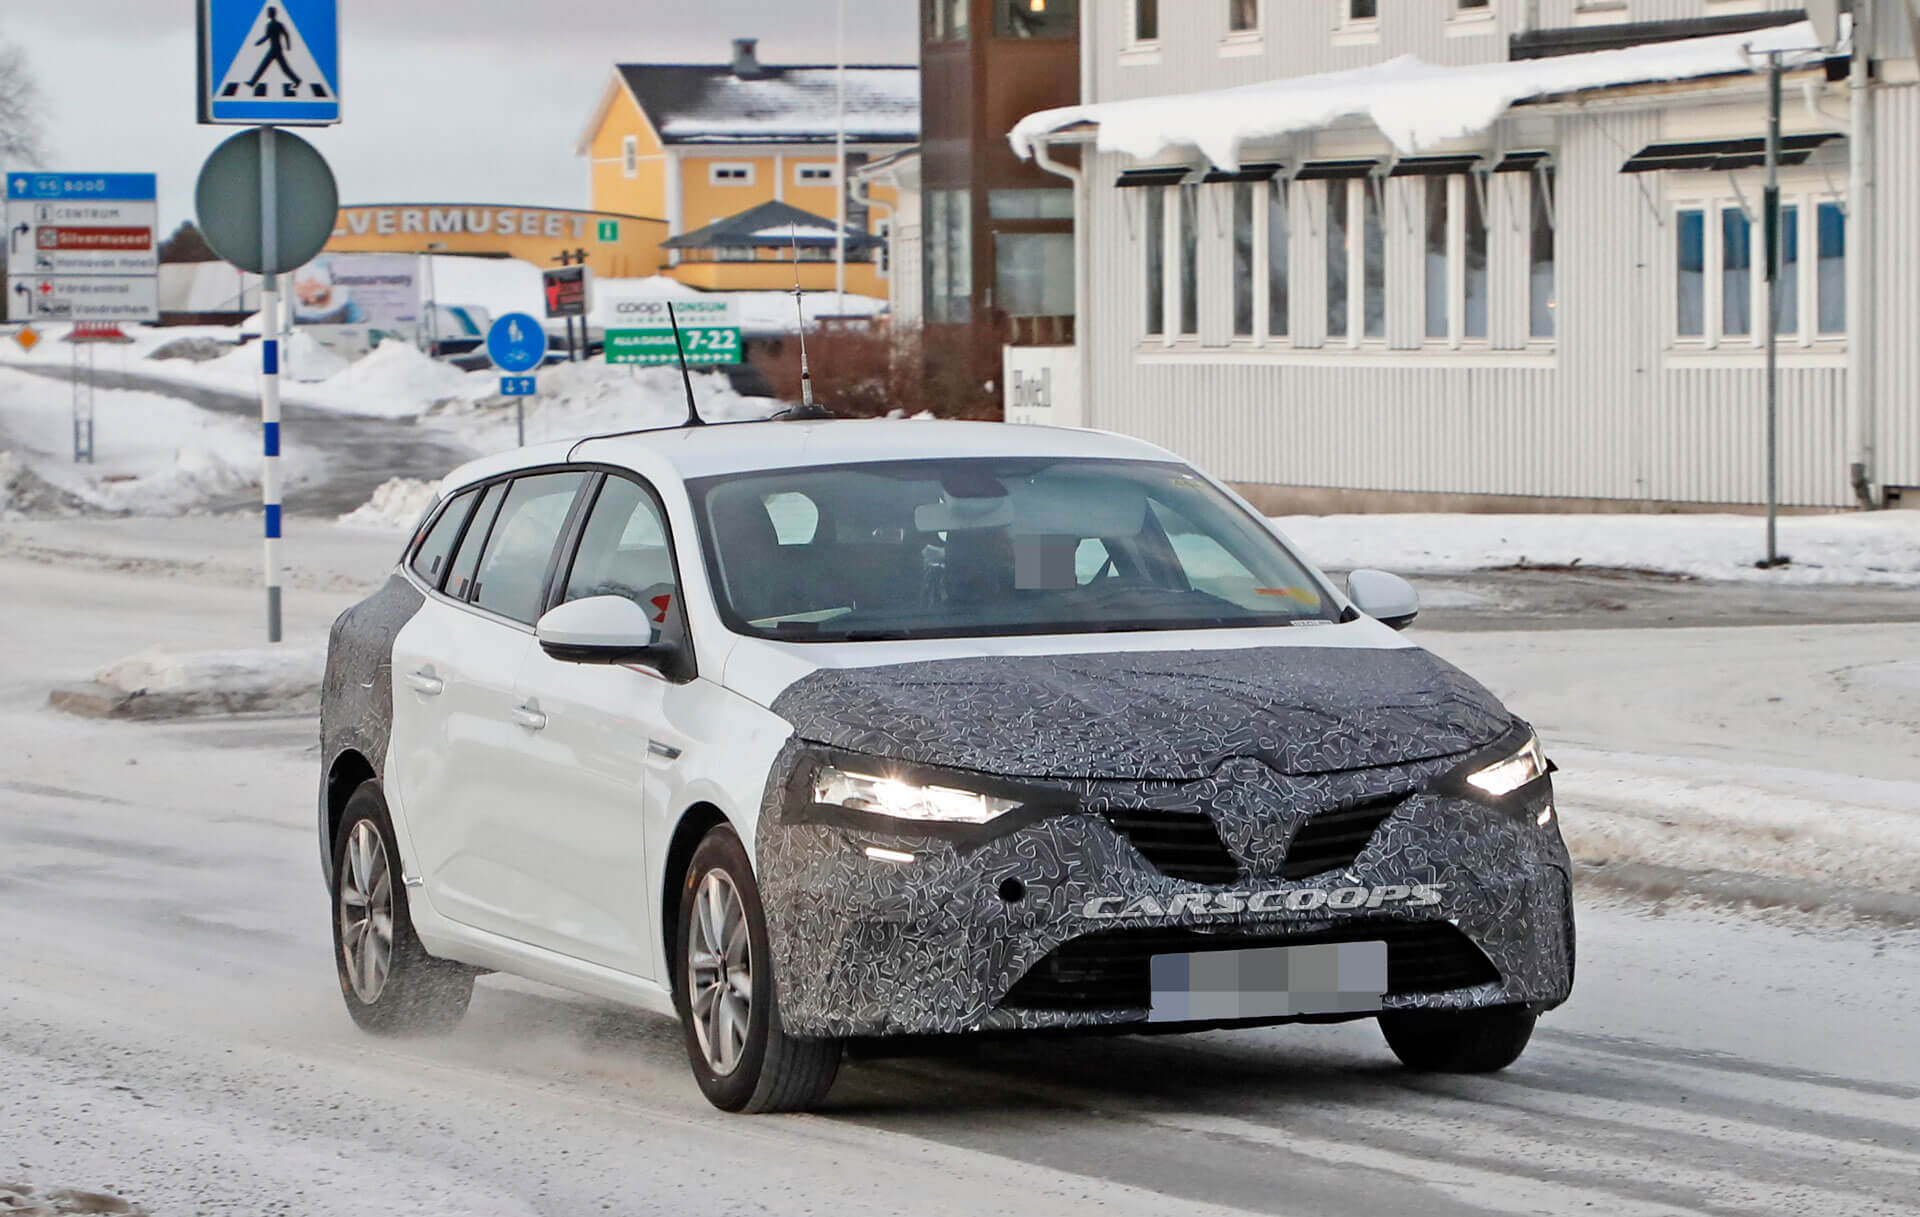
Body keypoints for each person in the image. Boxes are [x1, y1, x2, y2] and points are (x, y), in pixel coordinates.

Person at [248, 7, 301, 97]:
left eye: (268, 12)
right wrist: (288, 45)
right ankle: (252, 82)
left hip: (274, 50)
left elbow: (267, 37)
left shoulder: (271, 25)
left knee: (266, 66)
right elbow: (286, 34)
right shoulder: (278, 24)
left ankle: (253, 82)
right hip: (276, 48)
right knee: (281, 68)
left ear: (271, 14)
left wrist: (258, 42)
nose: (267, 14)